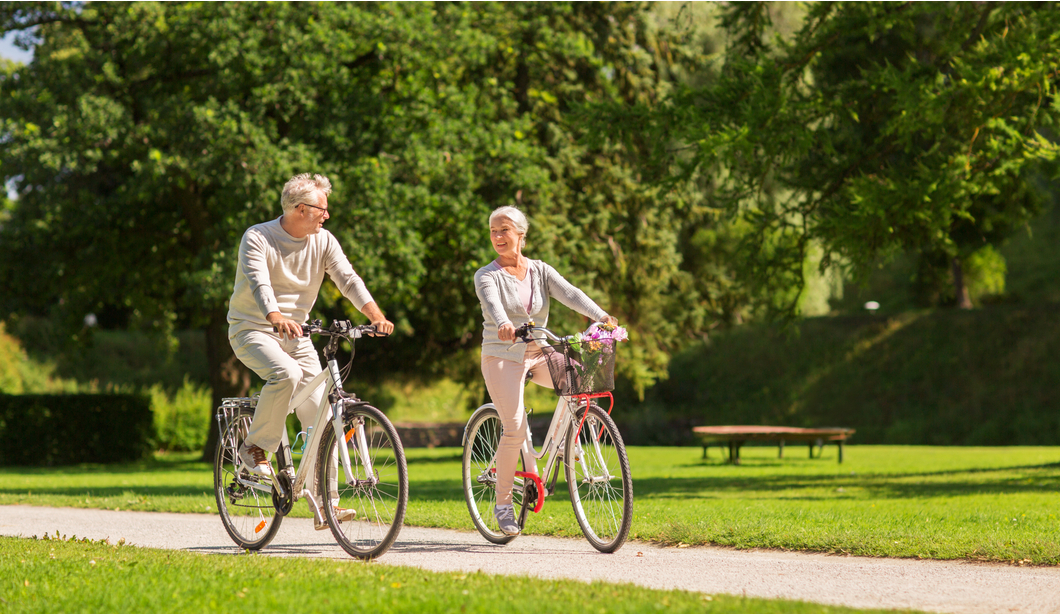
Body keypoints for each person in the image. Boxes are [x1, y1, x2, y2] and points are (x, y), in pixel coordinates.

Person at [227, 172, 395, 530]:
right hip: (252, 329)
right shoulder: (258, 237)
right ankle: (254, 448)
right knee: (284, 374)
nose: (327, 215)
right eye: (322, 208)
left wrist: (375, 315)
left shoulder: (323, 241)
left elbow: (348, 279)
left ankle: (326, 502)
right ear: (301, 209)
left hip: (298, 334)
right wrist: (273, 315)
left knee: (321, 411)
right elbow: (259, 281)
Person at [474, 205, 617, 536]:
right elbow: (493, 304)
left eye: (504, 230)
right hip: (502, 354)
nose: (497, 236)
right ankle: (504, 505)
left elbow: (570, 294)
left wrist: (601, 316)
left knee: (579, 382)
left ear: (521, 235)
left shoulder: (540, 270)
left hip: (539, 351)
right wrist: (505, 324)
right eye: (493, 231)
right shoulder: (487, 275)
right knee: (513, 427)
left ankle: (559, 448)